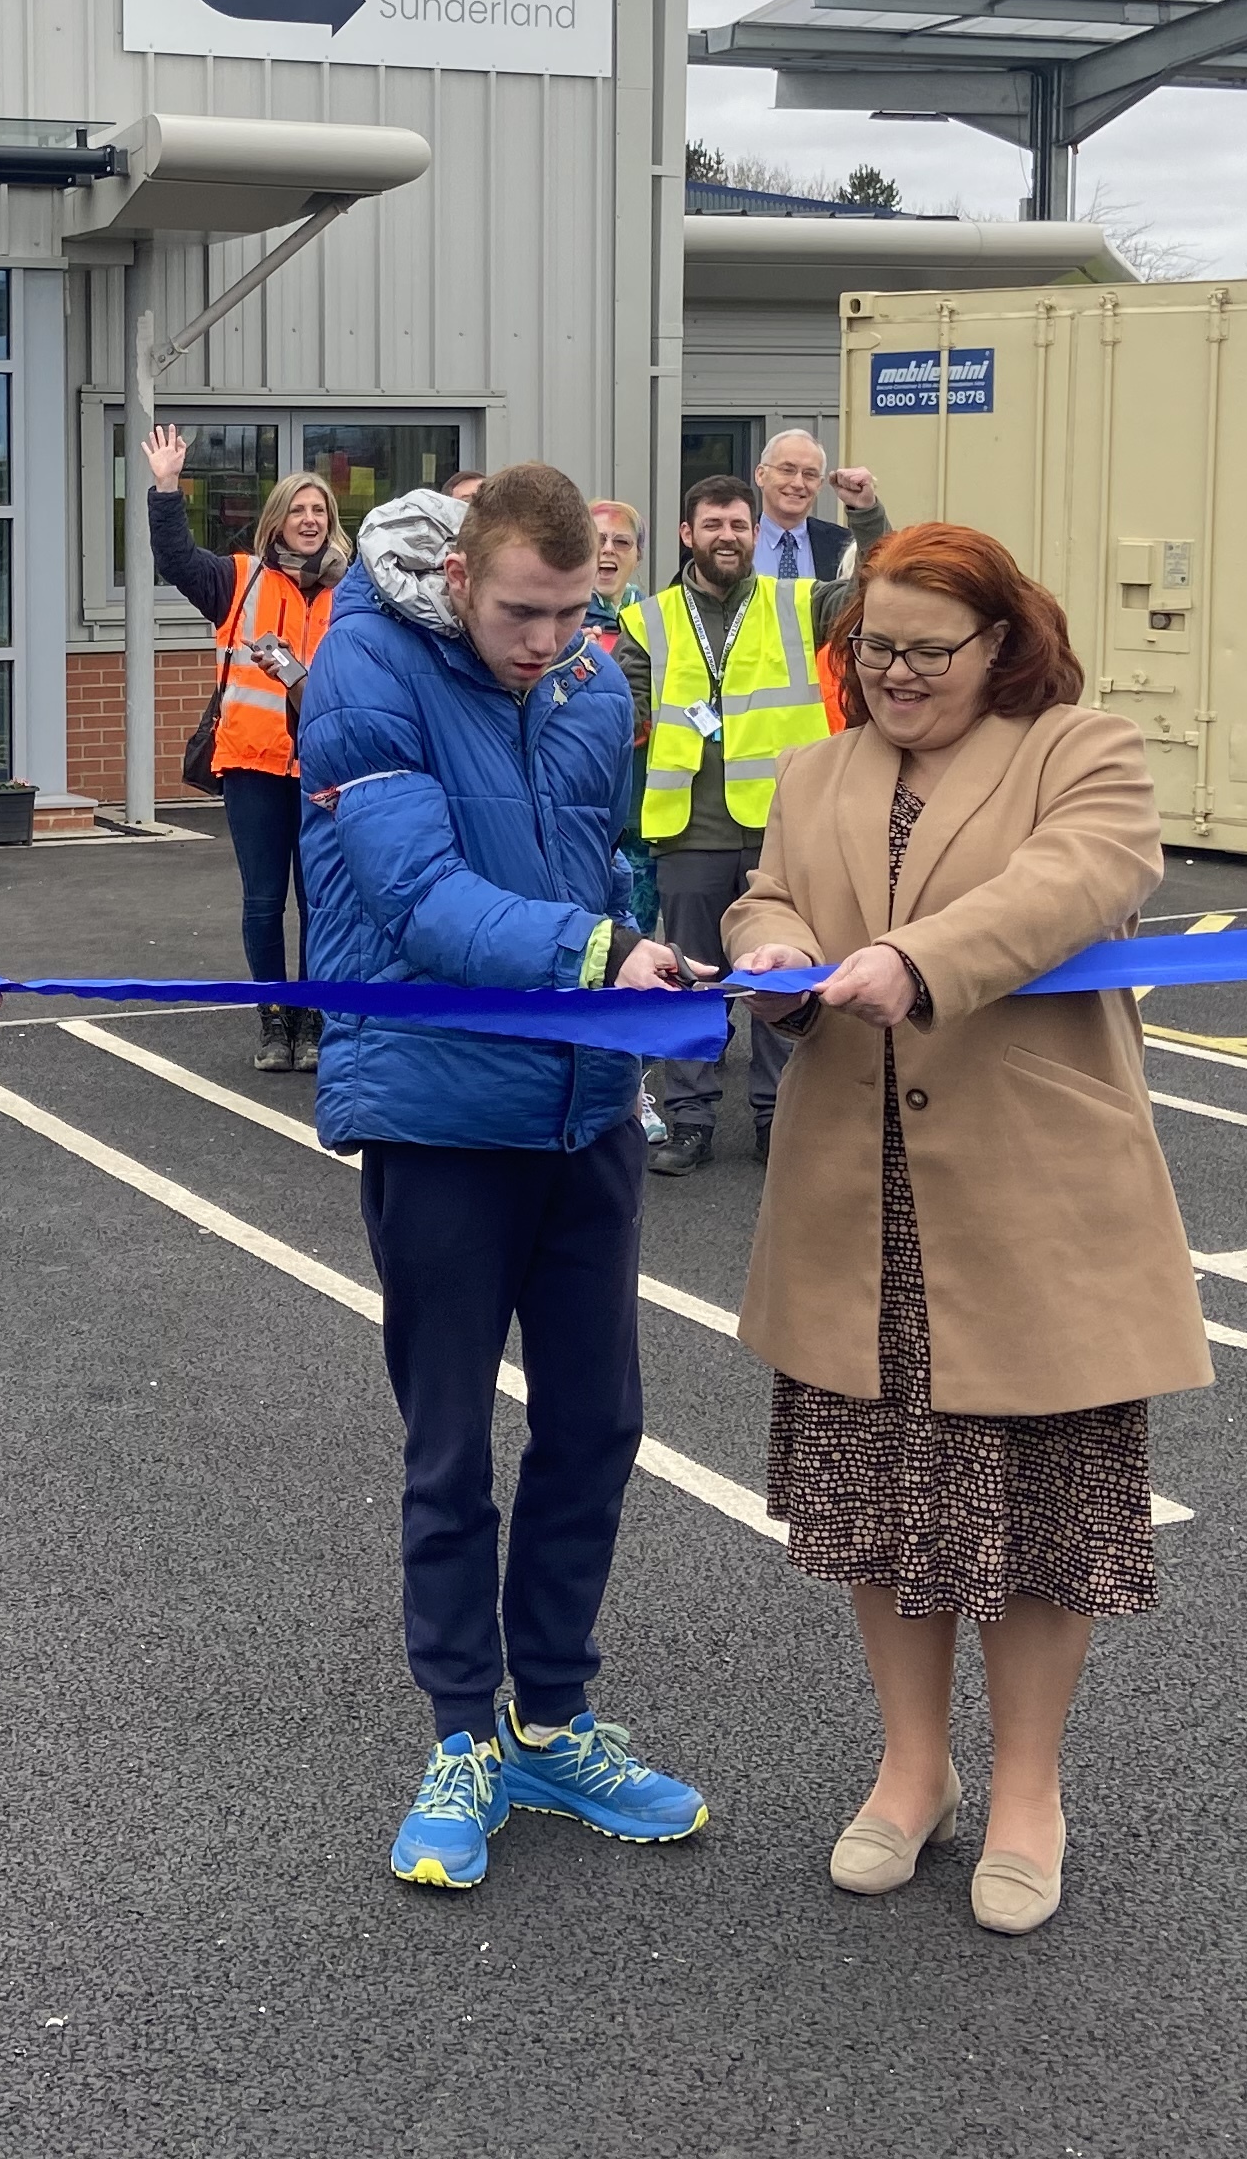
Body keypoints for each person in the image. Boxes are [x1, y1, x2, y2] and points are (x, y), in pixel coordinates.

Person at [718, 521, 1203, 1938]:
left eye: (930, 652)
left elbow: (1082, 879)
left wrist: (913, 961)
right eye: (875, 649)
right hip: (849, 1199)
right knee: (883, 1511)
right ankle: (911, 1771)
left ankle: (1029, 1795)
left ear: (1004, 643)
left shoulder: (1081, 751)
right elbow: (772, 891)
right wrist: (766, 947)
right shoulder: (814, 770)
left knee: (1040, 1521)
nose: (896, 676)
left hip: (1028, 1200)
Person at [297, 465, 714, 1892]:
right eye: (524, 612)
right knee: (450, 1451)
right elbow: (416, 899)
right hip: (438, 1116)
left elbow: (603, 863)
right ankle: (461, 1734)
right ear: (461, 573)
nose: (548, 642)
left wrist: (644, 952)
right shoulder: (362, 666)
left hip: (582, 1106)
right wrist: (596, 960)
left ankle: (554, 1719)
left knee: (598, 1426)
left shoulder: (596, 679)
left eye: (574, 610)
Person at [632, 473, 841, 1176]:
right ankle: (689, 1122)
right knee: (690, 983)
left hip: (782, 831)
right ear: (688, 535)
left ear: (759, 534)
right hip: (690, 830)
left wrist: (866, 513)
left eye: (740, 525)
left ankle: (778, 1120)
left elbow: (877, 590)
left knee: (779, 979)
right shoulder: (649, 620)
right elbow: (623, 716)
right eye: (714, 525)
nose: (728, 536)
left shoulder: (798, 604)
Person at [140, 423, 347, 1074]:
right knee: (264, 900)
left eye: (320, 511)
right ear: (276, 521)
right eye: (298, 509)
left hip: (328, 770)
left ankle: (312, 1016)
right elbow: (174, 559)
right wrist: (167, 487)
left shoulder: (356, 591)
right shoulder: (237, 580)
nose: (309, 520)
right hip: (254, 766)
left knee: (321, 900)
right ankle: (273, 1018)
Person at [582, 500, 666, 1148]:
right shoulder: (553, 614)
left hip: (641, 821)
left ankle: (633, 1088)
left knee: (634, 952)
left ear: (638, 553)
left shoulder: (656, 624)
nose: (608, 550)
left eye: (622, 541)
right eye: (597, 538)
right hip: (572, 820)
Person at [749, 425, 886, 595]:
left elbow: (886, 570)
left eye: (810, 474)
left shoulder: (843, 546)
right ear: (761, 475)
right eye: (787, 470)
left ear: (820, 485)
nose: (798, 483)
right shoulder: (736, 541)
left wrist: (867, 509)